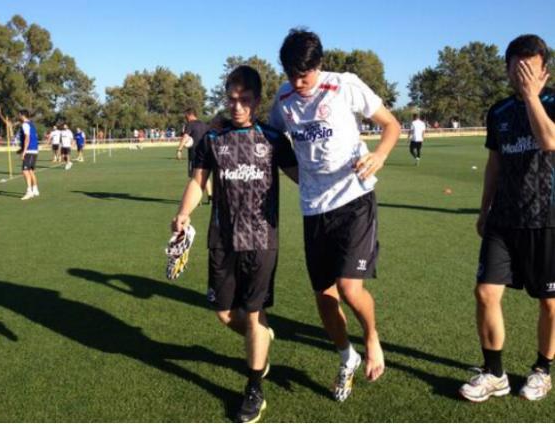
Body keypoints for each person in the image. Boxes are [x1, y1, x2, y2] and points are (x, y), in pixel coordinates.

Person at [269, 28, 400, 401]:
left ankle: (371, 338)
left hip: (354, 199)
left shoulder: (345, 85)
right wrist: (297, 175)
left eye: (304, 75)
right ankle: (347, 356)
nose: (299, 82)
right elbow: (274, 138)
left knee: (349, 287)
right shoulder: (283, 97)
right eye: (292, 75)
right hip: (314, 207)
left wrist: (379, 155)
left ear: (319, 66)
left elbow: (390, 125)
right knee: (324, 295)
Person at [171, 66, 298, 423]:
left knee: (254, 314)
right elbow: (199, 182)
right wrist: (183, 214)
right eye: (233, 99)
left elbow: (301, 176)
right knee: (225, 313)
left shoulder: (272, 138)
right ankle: (261, 337)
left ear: (257, 101)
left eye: (245, 100)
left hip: (262, 239)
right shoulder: (212, 138)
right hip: (222, 240)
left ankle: (254, 387)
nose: (238, 106)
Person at [460, 34, 555, 403]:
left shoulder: (552, 102)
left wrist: (532, 97)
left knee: (549, 303)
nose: (522, 77)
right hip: (503, 218)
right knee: (485, 293)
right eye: (516, 70)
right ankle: (494, 372)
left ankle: (542, 370)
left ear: (544, 71)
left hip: (547, 218)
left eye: (529, 70)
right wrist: (484, 210)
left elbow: (549, 140)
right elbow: (494, 164)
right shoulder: (498, 112)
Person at [177, 108, 213, 203]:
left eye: (186, 116)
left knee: (194, 177)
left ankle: (197, 199)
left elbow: (185, 137)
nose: (185, 118)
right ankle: (210, 196)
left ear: (189, 115)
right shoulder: (204, 125)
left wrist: (179, 149)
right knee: (205, 175)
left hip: (195, 154)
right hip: (206, 153)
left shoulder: (190, 124)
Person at [18, 109, 40, 200]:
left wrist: (24, 151)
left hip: (30, 150)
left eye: (19, 115)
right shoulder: (31, 124)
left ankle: (29, 191)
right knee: (31, 171)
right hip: (33, 150)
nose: (18, 116)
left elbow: (27, 138)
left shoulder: (25, 124)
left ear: (22, 115)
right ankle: (35, 189)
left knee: (25, 171)